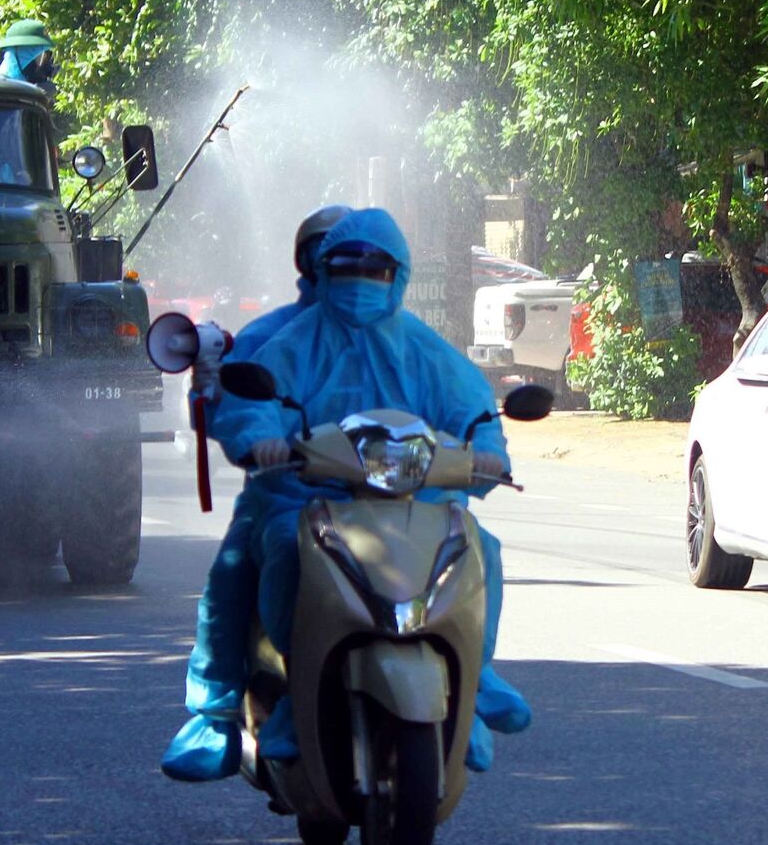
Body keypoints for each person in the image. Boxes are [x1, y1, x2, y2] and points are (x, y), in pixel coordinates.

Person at [218, 208, 531, 774]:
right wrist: (262, 440)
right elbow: (254, 402)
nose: (360, 282)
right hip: (309, 500)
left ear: (400, 275)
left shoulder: (424, 348)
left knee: (482, 550)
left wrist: (487, 454)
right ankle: (292, 696)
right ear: (320, 271)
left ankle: (473, 684)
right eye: (344, 267)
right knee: (285, 554)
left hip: (417, 501)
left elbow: (473, 409)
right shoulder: (289, 342)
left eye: (376, 270)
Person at [161, 204, 351, 782]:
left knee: (465, 545)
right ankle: (216, 713)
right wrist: (262, 439)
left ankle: (469, 686)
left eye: (361, 261)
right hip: (287, 494)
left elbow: (447, 397)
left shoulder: (399, 340)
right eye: (332, 257)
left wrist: (472, 443)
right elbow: (242, 403)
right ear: (306, 262)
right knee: (233, 575)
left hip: (388, 498)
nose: (346, 271)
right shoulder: (272, 336)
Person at [0, 19, 59, 98]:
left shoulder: (33, 89)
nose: (44, 63)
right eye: (40, 55)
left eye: (46, 56)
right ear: (23, 55)